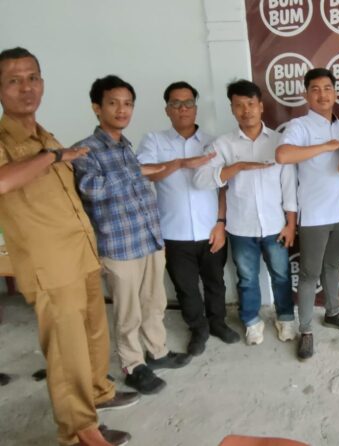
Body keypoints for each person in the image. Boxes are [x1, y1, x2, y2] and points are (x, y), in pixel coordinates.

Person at [0, 47, 133, 446]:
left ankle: (98, 394)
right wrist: (54, 156)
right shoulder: (12, 140)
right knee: (66, 349)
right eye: (14, 80)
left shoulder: (45, 135)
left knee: (94, 334)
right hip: (49, 265)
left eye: (33, 78)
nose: (27, 88)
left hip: (80, 253)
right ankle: (79, 432)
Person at [72, 75, 190, 395]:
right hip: (118, 244)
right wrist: (136, 171)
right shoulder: (85, 150)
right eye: (113, 103)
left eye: (127, 104)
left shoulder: (126, 146)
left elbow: (140, 186)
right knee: (128, 311)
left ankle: (157, 351)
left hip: (148, 237)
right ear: (97, 108)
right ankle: (132, 365)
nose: (122, 110)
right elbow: (92, 189)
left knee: (154, 302)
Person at [137, 81, 239, 356]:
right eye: (176, 103)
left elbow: (223, 187)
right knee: (186, 288)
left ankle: (218, 323)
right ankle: (198, 329)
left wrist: (221, 223)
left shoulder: (213, 142)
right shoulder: (154, 141)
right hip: (173, 232)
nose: (183, 109)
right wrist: (181, 163)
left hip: (210, 230)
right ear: (167, 109)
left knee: (215, 281)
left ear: (196, 108)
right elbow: (146, 173)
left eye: (188, 103)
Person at [194, 80, 297, 346]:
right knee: (247, 278)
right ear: (232, 109)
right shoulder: (223, 145)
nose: (246, 110)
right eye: (239, 105)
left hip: (275, 225)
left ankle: (285, 317)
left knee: (281, 275)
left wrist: (291, 224)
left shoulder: (279, 142)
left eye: (251, 104)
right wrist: (236, 167)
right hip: (241, 227)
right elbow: (200, 180)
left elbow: (289, 187)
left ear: (261, 106)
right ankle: (251, 321)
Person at [276, 68, 339, 360]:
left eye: (328, 88)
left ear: (336, 92)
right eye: (315, 89)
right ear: (306, 94)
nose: (322, 94)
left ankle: (333, 312)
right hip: (314, 214)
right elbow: (283, 155)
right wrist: (326, 146)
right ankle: (306, 330)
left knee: (332, 265)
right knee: (310, 273)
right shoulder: (299, 126)